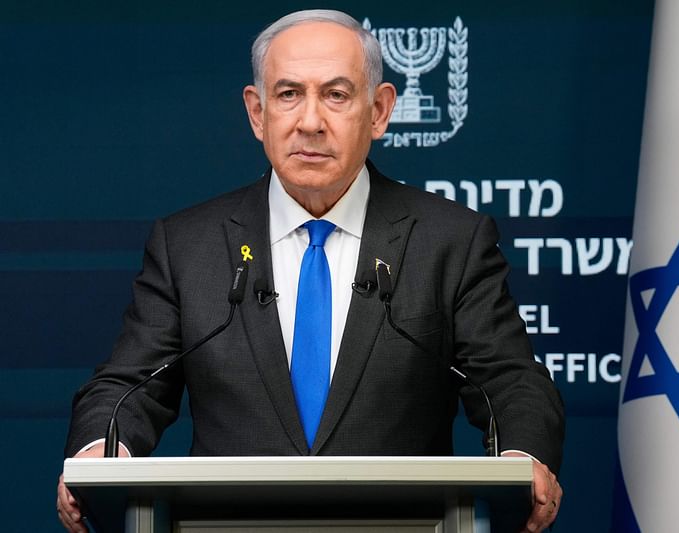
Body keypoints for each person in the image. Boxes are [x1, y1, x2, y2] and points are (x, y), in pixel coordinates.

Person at [56, 9, 564, 533]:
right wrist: (101, 452)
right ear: (257, 113)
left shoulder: (450, 241)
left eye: (337, 95)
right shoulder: (189, 245)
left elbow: (509, 381)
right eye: (288, 94)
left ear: (380, 110)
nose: (311, 121)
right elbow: (126, 387)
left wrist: (519, 454)